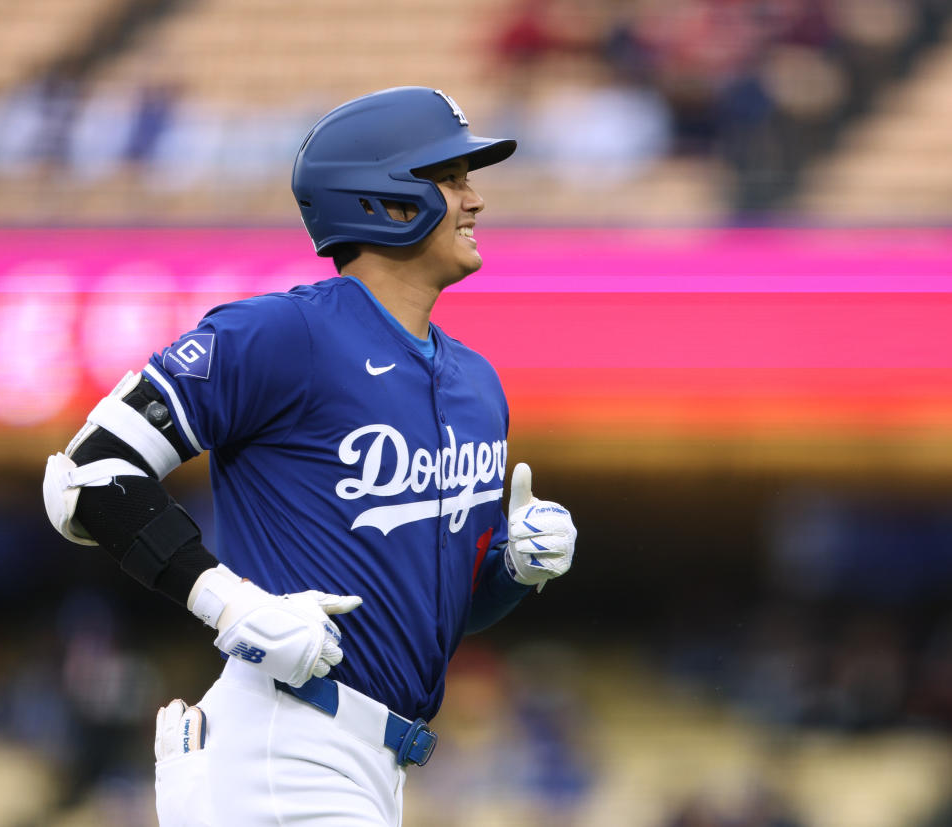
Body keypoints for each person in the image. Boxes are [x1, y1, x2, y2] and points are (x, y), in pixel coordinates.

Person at [41, 86, 578, 826]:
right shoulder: (280, 334)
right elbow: (88, 475)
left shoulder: (477, 383)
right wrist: (231, 602)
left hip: (377, 764)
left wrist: (513, 570)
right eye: (451, 178)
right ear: (385, 199)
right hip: (280, 744)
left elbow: (435, 619)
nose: (475, 200)